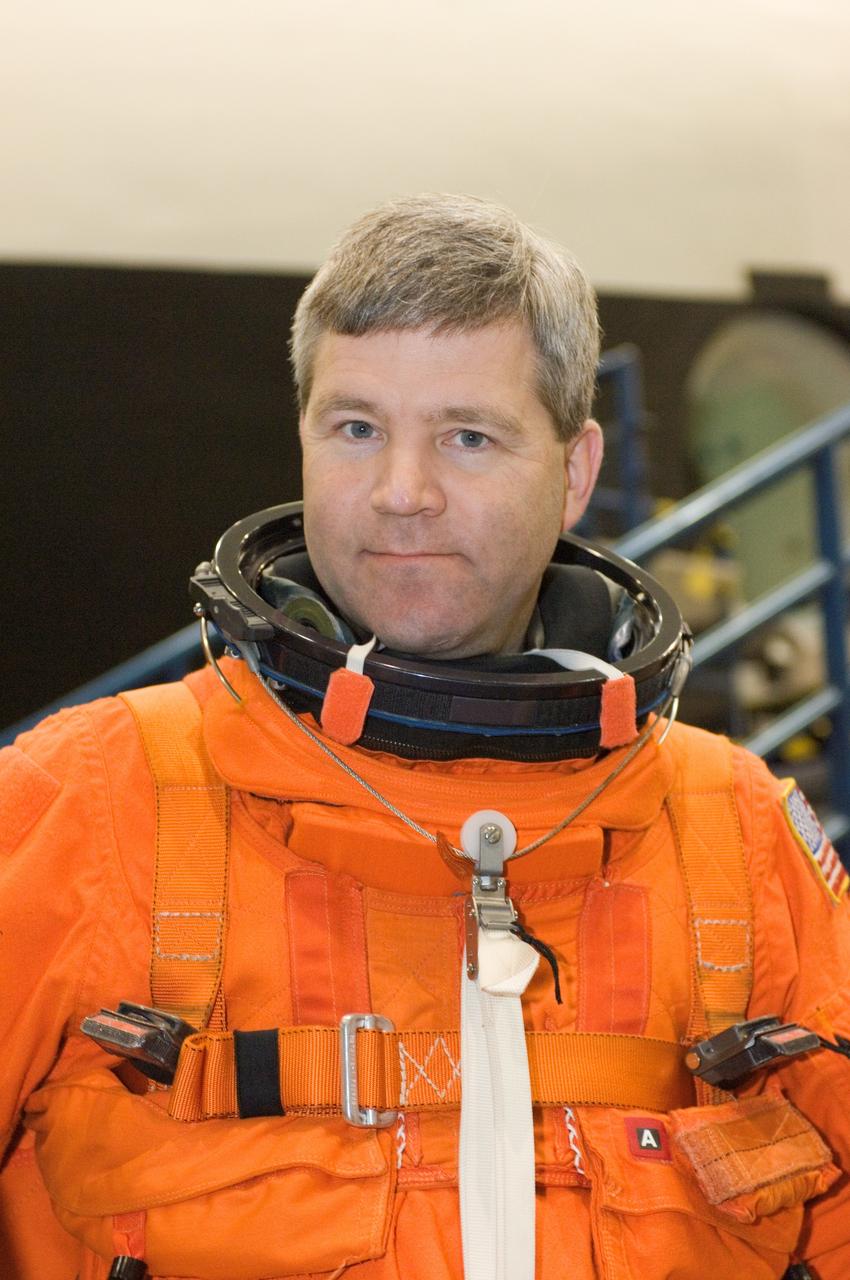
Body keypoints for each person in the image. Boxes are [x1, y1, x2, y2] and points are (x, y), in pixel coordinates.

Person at [1, 193, 849, 1280]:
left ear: (574, 471)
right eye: (355, 428)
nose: (402, 492)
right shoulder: (89, 800)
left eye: (467, 435)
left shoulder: (735, 833)